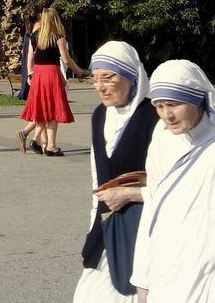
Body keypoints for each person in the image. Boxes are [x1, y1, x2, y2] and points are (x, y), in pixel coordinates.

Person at [132, 59, 215, 303]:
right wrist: (142, 278)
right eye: (159, 106)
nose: (167, 115)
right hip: (167, 272)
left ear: (196, 98)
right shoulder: (161, 141)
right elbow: (153, 210)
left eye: (174, 104)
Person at [73, 41, 158, 302]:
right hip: (104, 229)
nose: (100, 86)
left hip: (142, 232)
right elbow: (98, 179)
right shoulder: (100, 115)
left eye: (108, 78)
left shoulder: (154, 118)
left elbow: (175, 185)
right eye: (95, 79)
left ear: (132, 77)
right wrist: (92, 227)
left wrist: (131, 194)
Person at [20, 7, 84, 156]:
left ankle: (40, 141)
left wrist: (30, 73)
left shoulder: (35, 36)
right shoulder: (58, 36)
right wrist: (79, 71)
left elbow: (30, 58)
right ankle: (51, 145)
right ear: (55, 19)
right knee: (53, 109)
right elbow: (66, 59)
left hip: (38, 74)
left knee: (42, 109)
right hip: (52, 72)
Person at [15, 5, 47, 154]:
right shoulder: (36, 35)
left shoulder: (31, 34)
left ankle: (41, 142)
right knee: (44, 109)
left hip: (32, 75)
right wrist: (31, 75)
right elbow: (31, 58)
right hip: (37, 75)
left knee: (44, 110)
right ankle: (27, 134)